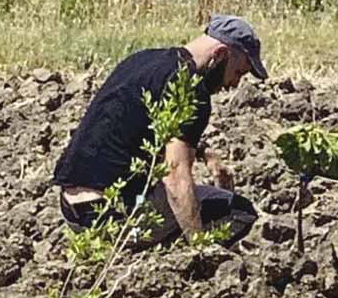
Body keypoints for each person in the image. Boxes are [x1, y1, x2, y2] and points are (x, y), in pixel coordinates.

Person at [53, 14, 267, 244]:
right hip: (112, 220)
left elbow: (133, 121)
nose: (233, 84)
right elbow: (175, 177)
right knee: (237, 210)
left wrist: (204, 151)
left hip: (72, 211)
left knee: (189, 198)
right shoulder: (190, 88)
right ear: (220, 54)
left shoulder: (143, 60)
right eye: (238, 73)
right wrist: (200, 247)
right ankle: (166, 257)